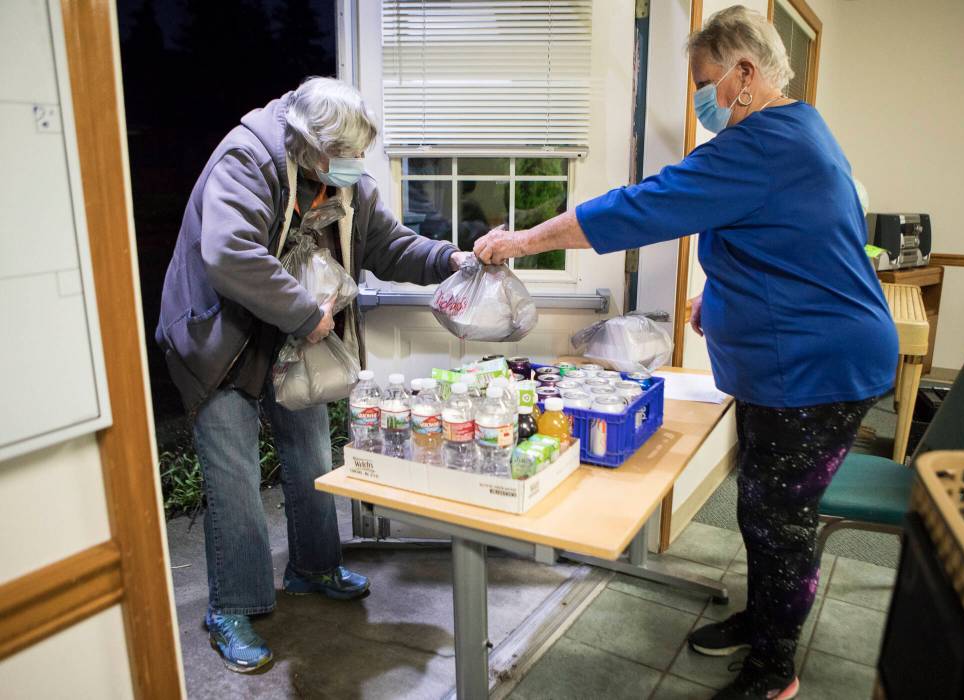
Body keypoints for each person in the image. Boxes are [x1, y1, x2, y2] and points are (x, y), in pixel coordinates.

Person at [474, 7, 897, 699]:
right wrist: (719, 295)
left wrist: (524, 242)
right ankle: (763, 625)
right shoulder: (800, 128)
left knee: (778, 522)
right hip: (812, 357)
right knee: (761, 510)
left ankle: (773, 673)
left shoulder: (760, 144)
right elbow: (794, 238)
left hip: (819, 368)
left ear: (746, 75)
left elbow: (641, 206)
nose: (702, 98)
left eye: (706, 81)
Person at [156, 77, 472, 673]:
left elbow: (389, 245)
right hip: (218, 336)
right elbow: (229, 254)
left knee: (309, 454)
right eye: (343, 157)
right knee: (235, 475)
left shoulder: (343, 179)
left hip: (288, 335)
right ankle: (233, 605)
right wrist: (307, 315)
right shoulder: (246, 159)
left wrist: (450, 259)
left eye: (358, 156)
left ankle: (313, 567)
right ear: (305, 145)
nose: (354, 168)